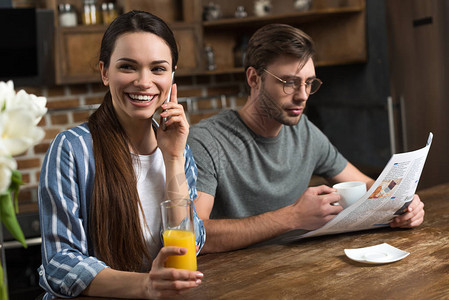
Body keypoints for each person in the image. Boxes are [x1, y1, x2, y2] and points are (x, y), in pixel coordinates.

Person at [187, 24, 425, 254]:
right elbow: (196, 236)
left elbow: (366, 186)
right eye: (289, 83)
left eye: (309, 83)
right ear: (254, 79)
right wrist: (292, 217)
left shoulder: (304, 131)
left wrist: (402, 203)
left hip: (300, 269)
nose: (302, 96)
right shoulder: (206, 141)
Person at [38, 11, 205, 299]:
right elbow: (59, 263)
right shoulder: (73, 148)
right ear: (105, 72)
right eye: (128, 67)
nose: (143, 81)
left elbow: (192, 244)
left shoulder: (180, 151)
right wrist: (145, 286)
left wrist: (174, 158)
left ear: (172, 74)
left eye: (158, 69)